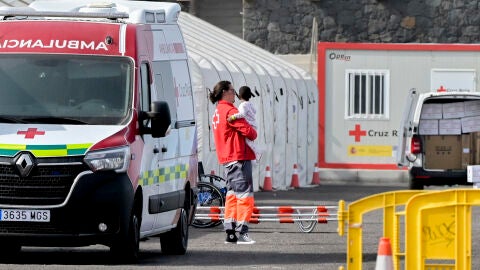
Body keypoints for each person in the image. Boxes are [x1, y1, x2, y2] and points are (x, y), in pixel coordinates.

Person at [209, 80, 257, 244]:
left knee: (231, 196)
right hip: (238, 157)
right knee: (245, 196)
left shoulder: (217, 111)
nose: (235, 94)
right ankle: (242, 232)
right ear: (224, 92)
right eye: (232, 90)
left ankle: (230, 232)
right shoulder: (230, 110)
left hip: (227, 159)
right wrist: (253, 129)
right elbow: (250, 133)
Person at [227, 86, 262, 161]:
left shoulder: (243, 105)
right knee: (249, 141)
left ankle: (257, 152)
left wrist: (233, 117)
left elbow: (242, 114)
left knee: (247, 141)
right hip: (254, 125)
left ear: (239, 96)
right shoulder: (250, 104)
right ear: (250, 96)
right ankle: (255, 153)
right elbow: (254, 111)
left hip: (250, 125)